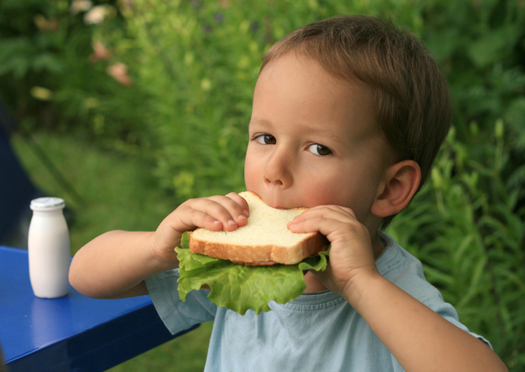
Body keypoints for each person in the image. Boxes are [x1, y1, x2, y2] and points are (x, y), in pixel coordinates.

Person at [69, 15, 508, 371]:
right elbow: (84, 276)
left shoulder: (392, 293)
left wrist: (361, 284)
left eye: (318, 148)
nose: (276, 171)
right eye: (264, 138)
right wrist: (157, 247)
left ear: (391, 188)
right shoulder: (235, 260)